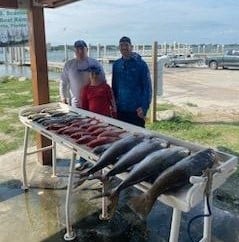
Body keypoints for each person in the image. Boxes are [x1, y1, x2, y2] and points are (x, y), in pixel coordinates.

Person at [112, 36, 152, 127]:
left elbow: (147, 87)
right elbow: (114, 86)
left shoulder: (141, 64)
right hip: (120, 109)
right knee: (120, 136)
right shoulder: (116, 65)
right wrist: (113, 105)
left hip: (136, 110)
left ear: (131, 47)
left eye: (126, 45)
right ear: (119, 48)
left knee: (138, 137)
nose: (124, 47)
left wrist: (144, 107)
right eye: (121, 45)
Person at [59, 39, 105, 108]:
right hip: (76, 104)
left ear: (87, 50)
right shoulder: (69, 64)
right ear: (74, 51)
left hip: (93, 102)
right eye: (77, 49)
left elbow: (103, 81)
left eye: (82, 49)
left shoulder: (95, 63)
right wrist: (63, 97)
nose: (80, 52)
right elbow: (63, 82)